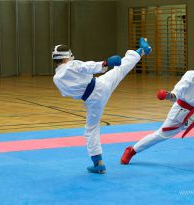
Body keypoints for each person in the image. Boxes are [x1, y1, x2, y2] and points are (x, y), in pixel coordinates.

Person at [53, 37, 152, 174]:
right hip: (99, 85)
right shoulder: (71, 65)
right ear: (67, 57)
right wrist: (105, 63)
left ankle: (98, 163)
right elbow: (87, 67)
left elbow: (67, 93)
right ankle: (142, 51)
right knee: (121, 69)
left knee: (91, 129)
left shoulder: (57, 79)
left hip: (91, 101)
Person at [121, 51, 194, 165]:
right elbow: (180, 88)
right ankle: (131, 150)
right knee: (159, 135)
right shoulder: (191, 75)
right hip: (180, 112)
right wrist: (171, 95)